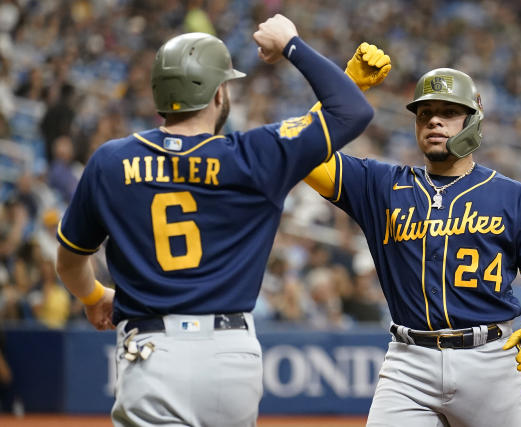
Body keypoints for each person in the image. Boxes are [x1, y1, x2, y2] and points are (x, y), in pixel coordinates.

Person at [55, 14, 377, 427]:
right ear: (219, 93)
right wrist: (292, 44)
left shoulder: (110, 161)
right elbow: (351, 109)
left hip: (153, 350)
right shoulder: (255, 155)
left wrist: (93, 295)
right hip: (231, 356)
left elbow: (68, 260)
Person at [304, 64, 521, 426]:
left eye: (449, 113)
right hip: (409, 360)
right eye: (425, 114)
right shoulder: (381, 184)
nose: (434, 121)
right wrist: (345, 86)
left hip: (491, 359)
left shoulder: (512, 197)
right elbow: (301, 151)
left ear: (473, 121)